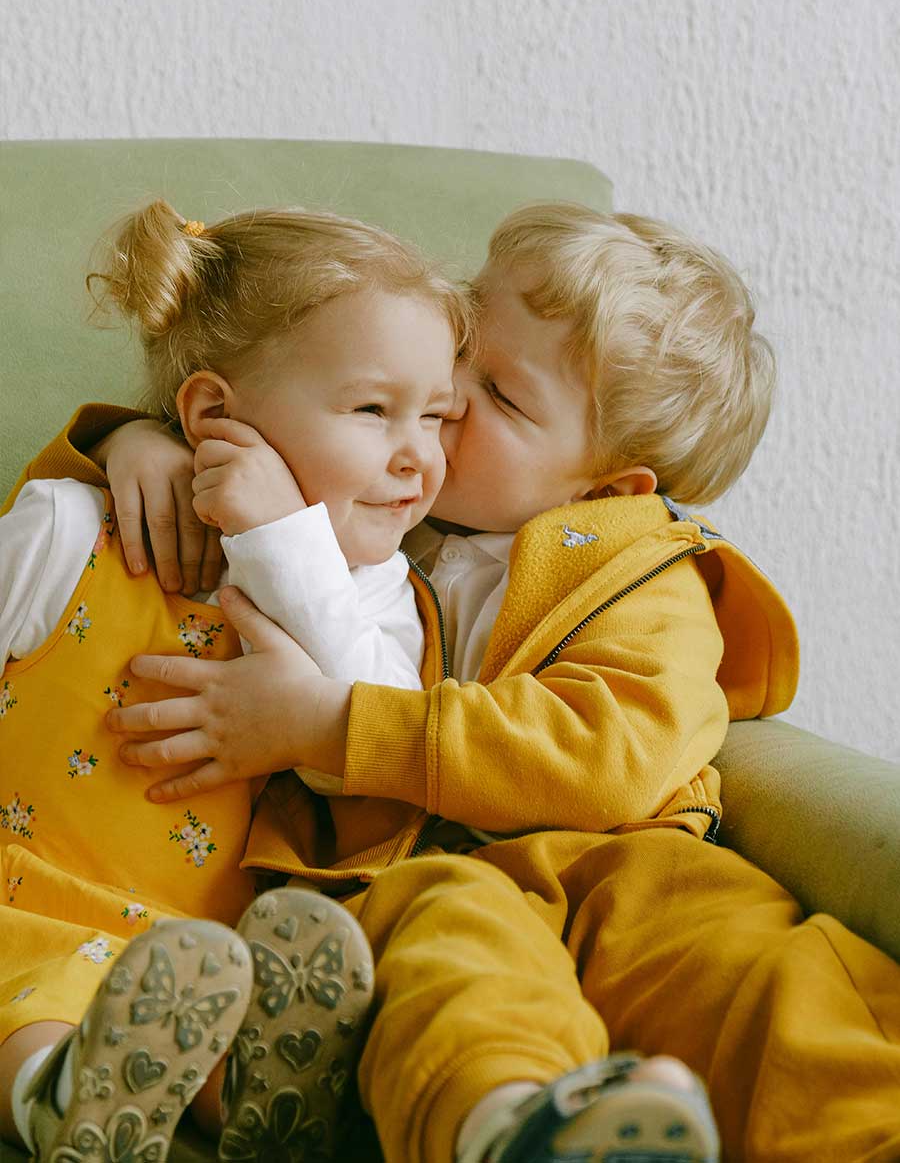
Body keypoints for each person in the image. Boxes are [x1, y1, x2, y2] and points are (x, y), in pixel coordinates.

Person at [9, 203, 900, 1162]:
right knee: (460, 978)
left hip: (626, 869)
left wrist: (331, 728)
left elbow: (606, 757)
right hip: (444, 882)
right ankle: (517, 1128)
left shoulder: (644, 570)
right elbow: (271, 417)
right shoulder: (387, 519)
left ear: (610, 488)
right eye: (466, 343)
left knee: (768, 981)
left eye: (501, 397)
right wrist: (138, 442)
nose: (449, 397)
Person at [0, 200, 468, 1159]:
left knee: (209, 1006)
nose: (420, 456)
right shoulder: (72, 528)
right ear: (214, 414)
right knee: (29, 989)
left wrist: (281, 538)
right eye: (375, 410)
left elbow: (370, 747)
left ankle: (255, 1102)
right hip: (16, 893)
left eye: (439, 415)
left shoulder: (380, 598)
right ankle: (65, 1101)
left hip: (195, 956)